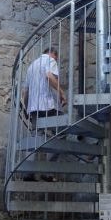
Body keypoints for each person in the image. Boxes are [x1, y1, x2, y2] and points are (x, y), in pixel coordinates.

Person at [22, 47, 67, 180]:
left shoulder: (31, 66)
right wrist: (62, 92)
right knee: (62, 132)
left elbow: (26, 91)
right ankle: (48, 171)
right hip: (48, 105)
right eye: (56, 58)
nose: (56, 60)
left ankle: (28, 173)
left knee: (35, 137)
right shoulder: (50, 60)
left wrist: (27, 108)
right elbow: (49, 76)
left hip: (34, 108)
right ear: (53, 54)